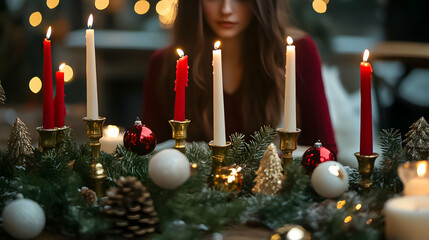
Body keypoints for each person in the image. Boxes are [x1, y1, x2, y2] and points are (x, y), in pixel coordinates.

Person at [142, 0, 337, 154]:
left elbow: (326, 151)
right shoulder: (166, 64)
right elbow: (148, 156)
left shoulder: (297, 52)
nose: (226, 9)